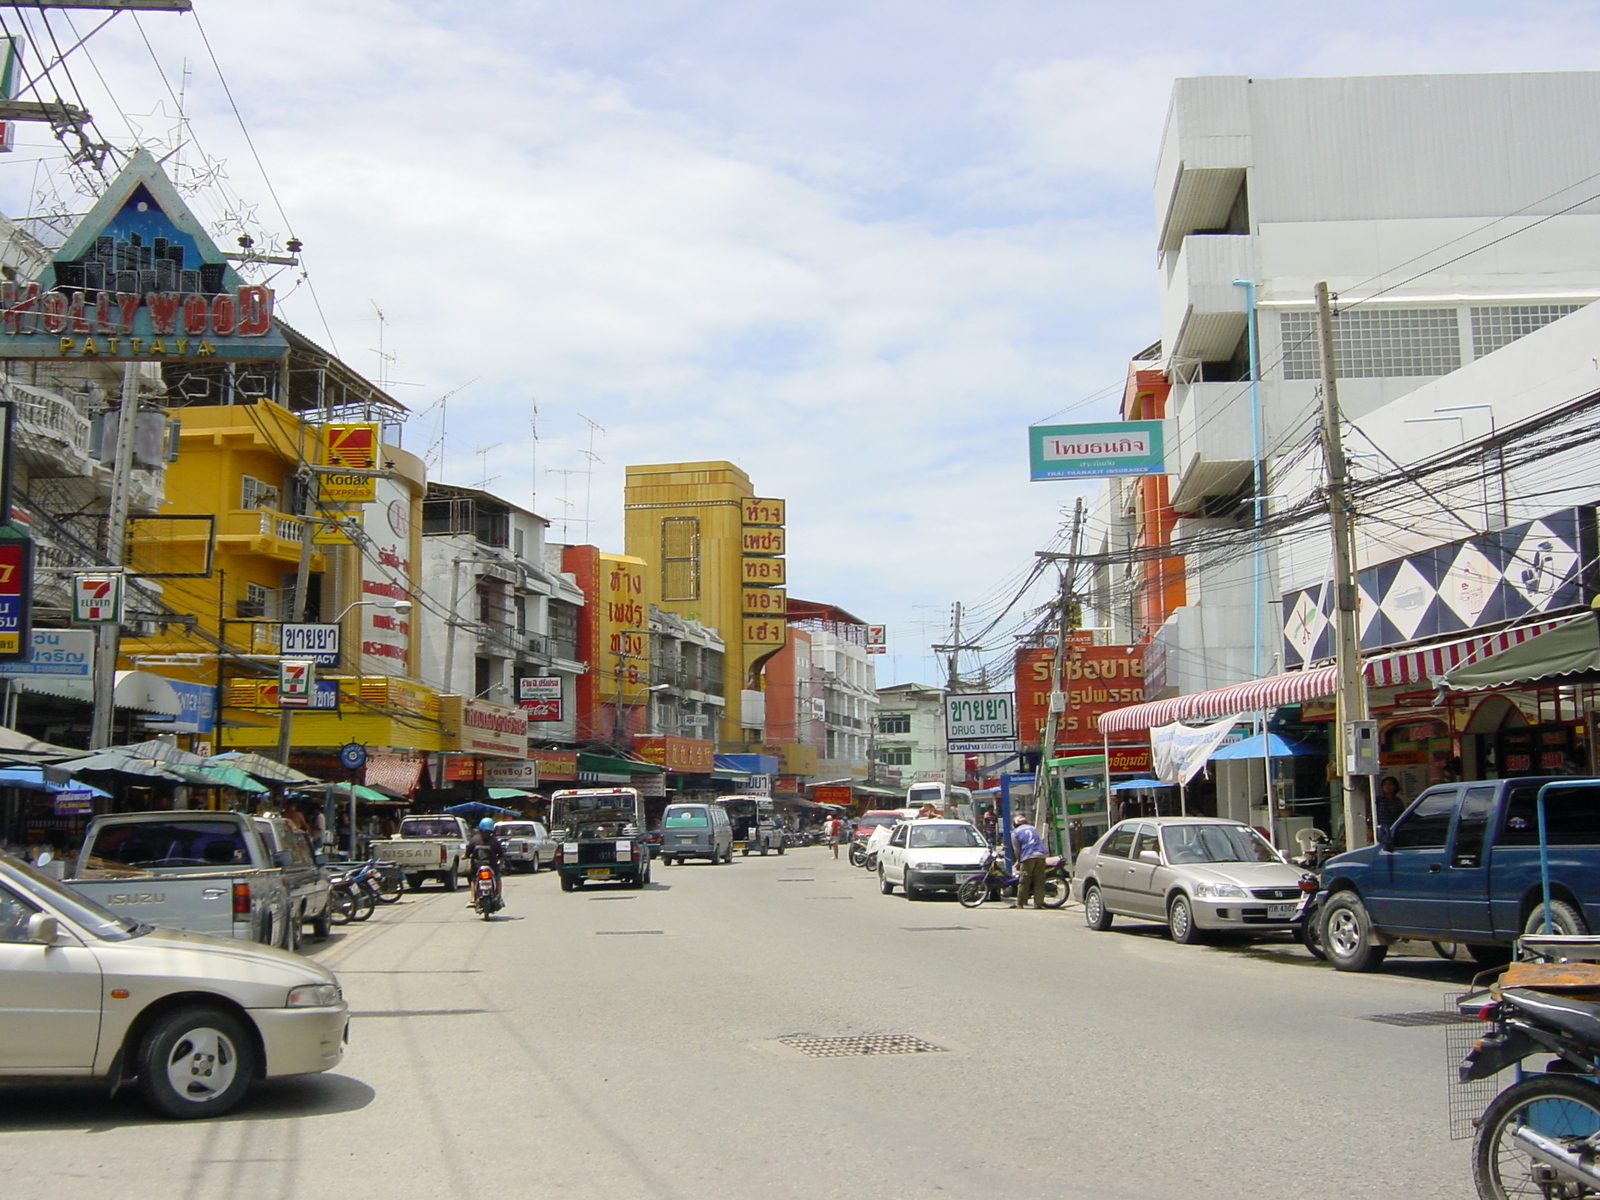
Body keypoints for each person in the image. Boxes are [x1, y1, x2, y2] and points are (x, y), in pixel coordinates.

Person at [1009, 813, 1047, 909]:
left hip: (1028, 856)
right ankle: (1038, 903)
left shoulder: (1015, 832)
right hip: (1040, 854)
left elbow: (1017, 849)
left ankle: (1020, 903)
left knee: (1024, 880)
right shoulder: (1033, 828)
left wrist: (1019, 861)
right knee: (1039, 880)